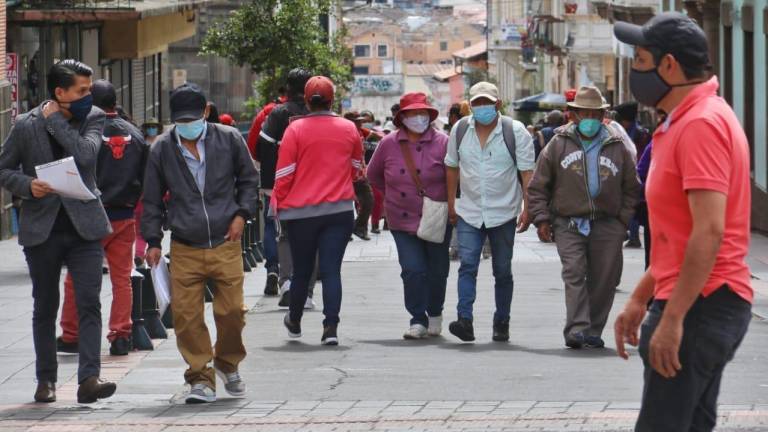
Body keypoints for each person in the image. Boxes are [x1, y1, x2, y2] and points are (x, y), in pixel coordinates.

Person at [613, 13, 753, 432]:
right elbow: (681, 234)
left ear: (668, 65)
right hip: (698, 300)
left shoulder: (700, 125)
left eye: (639, 60)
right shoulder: (684, 120)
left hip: (703, 303)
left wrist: (673, 318)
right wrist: (641, 298)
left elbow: (708, 232)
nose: (634, 71)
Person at [0, 59, 117, 404]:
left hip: (85, 229)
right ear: (59, 92)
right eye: (80, 91)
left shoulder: (93, 118)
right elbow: (3, 168)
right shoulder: (24, 125)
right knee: (45, 305)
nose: (87, 96)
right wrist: (26, 185)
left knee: (89, 302)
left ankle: (89, 379)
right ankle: (45, 380)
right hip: (43, 230)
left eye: (89, 90)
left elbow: (85, 156)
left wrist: (55, 121)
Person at [141, 82, 259, 404]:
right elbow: (151, 199)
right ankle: (199, 378)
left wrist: (242, 216)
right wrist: (152, 240)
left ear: (206, 111)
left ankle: (227, 362)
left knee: (232, 311)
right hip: (184, 245)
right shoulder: (162, 149)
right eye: (181, 122)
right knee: (186, 317)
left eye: (193, 119)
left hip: (226, 240)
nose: (188, 127)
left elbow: (249, 180)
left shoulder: (229, 139)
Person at [528, 85, 639, 349]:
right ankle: (576, 328)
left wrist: (622, 220)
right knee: (574, 272)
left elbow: (631, 186)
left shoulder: (617, 144)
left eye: (595, 113)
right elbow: (538, 185)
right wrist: (542, 219)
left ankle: (593, 329)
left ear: (602, 115)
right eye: (584, 113)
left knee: (605, 278)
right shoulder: (558, 144)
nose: (590, 119)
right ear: (574, 115)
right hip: (568, 222)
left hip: (608, 223)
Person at [58, 79, 149, 357]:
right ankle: (121, 334)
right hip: (124, 216)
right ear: (115, 101)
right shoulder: (136, 134)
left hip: (88, 216)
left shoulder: (83, 132)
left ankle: (72, 334)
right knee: (122, 278)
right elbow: (144, 179)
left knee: (77, 277)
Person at [272, 76, 363, 346]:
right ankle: (330, 328)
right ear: (332, 99)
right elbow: (357, 168)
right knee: (332, 270)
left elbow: (285, 173)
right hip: (339, 211)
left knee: (302, 270)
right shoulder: (349, 128)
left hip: (301, 214)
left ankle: (295, 321)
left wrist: (279, 201)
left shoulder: (295, 130)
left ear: (306, 101)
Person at [444, 82, 536, 343]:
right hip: (469, 210)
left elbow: (526, 173)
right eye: (477, 103)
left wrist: (528, 208)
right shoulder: (460, 130)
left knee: (502, 270)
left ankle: (502, 321)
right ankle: (465, 320)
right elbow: (451, 166)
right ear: (470, 105)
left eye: (487, 103)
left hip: (504, 211)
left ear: (498, 104)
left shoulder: (515, 131)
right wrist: (451, 203)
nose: (482, 107)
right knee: (467, 265)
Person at [367, 93, 451, 339]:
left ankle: (435, 311)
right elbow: (373, 175)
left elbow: (455, 177)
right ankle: (417, 318)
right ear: (402, 117)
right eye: (413, 113)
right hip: (402, 218)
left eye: (422, 113)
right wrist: (392, 195)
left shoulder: (443, 142)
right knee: (412, 269)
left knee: (437, 269)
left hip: (436, 216)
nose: (418, 118)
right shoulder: (388, 143)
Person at [258, 69, 317, 307]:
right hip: (315, 186)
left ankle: (286, 283)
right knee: (312, 239)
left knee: (283, 234)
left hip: (284, 185)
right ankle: (308, 292)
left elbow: (264, 147)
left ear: (288, 88)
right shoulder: (318, 113)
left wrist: (269, 186)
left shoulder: (279, 113)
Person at [615, 101, 652, 249]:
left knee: (633, 206)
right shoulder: (637, 132)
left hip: (636, 173)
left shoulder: (638, 134)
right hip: (635, 171)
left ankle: (634, 236)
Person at [344, 111, 375, 241]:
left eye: (360, 121)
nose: (360, 123)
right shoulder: (343, 134)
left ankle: (359, 227)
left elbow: (377, 136)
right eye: (357, 121)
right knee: (345, 206)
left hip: (361, 174)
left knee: (369, 201)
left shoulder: (362, 131)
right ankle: (346, 232)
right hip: (346, 175)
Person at [358, 110, 386, 234]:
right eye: (363, 121)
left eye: (368, 120)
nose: (366, 123)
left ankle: (375, 224)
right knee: (360, 200)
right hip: (359, 170)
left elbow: (384, 140)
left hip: (374, 169)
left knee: (377, 198)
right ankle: (361, 225)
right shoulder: (356, 133)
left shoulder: (376, 133)